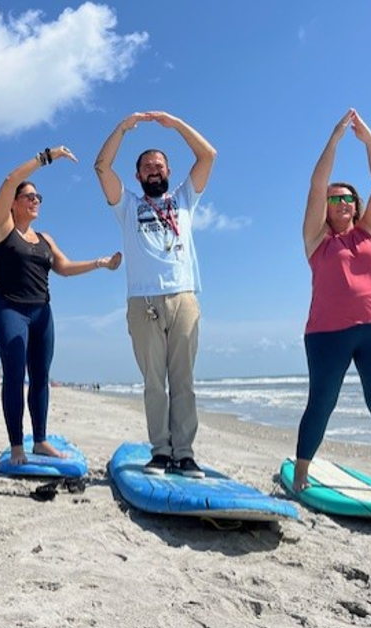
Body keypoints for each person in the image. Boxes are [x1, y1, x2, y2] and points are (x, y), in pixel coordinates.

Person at [294, 109, 371, 496]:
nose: (341, 202)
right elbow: (316, 186)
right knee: (322, 402)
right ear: (326, 208)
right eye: (335, 199)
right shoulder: (316, 241)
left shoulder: (370, 233)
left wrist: (368, 139)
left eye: (348, 197)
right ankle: (301, 474)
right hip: (327, 336)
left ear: (356, 204)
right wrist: (333, 140)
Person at [94, 111, 216, 477]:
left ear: (168, 172)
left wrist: (176, 124)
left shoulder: (184, 200)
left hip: (183, 298)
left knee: (183, 382)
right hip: (142, 301)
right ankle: (161, 452)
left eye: (159, 165)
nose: (153, 170)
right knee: (154, 384)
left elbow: (208, 155)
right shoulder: (128, 206)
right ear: (137, 175)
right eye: (147, 166)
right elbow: (101, 167)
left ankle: (185, 453)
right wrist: (122, 128)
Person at [0, 147, 122, 465]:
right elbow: (11, 179)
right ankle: (17, 446)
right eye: (29, 196)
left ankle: (40, 440)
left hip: (42, 313)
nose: (35, 200)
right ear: (14, 203)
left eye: (38, 197)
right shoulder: (2, 229)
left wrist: (100, 263)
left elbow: (63, 267)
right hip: (9, 310)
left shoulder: (45, 238)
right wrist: (45, 158)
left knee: (40, 376)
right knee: (14, 374)